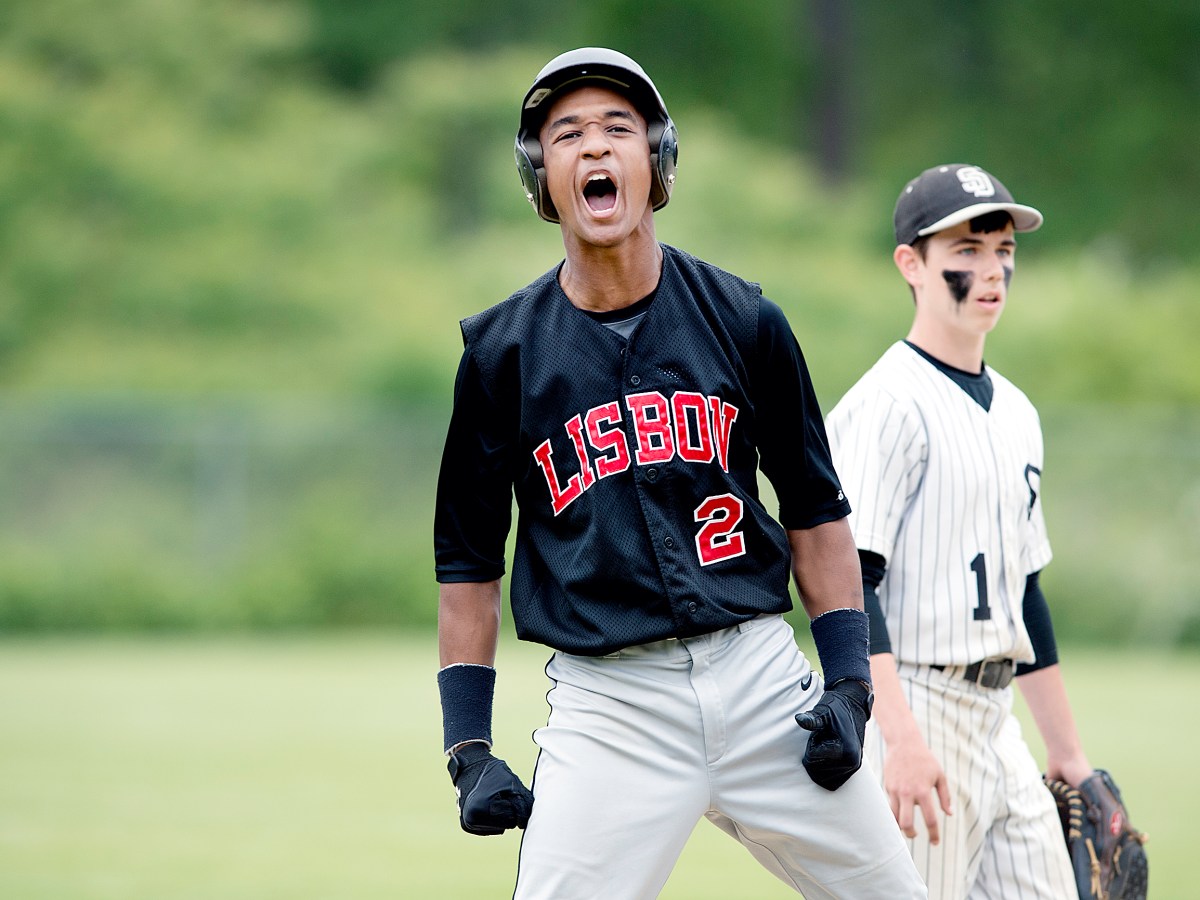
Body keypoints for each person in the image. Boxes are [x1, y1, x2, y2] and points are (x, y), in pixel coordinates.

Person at [433, 47, 926, 899]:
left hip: (760, 680)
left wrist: (849, 683)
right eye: (566, 135)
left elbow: (815, 510)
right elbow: (469, 565)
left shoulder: (745, 319)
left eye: (617, 129)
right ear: (541, 179)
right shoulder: (501, 355)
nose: (594, 147)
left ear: (656, 162)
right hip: (610, 706)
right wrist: (467, 748)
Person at [825, 163, 1095, 898]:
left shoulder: (1018, 411)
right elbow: (848, 586)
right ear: (911, 264)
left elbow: (1026, 593)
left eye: (1003, 249)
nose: (993, 269)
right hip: (916, 705)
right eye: (967, 251)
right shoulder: (885, 405)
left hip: (998, 720)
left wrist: (1067, 753)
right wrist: (900, 740)